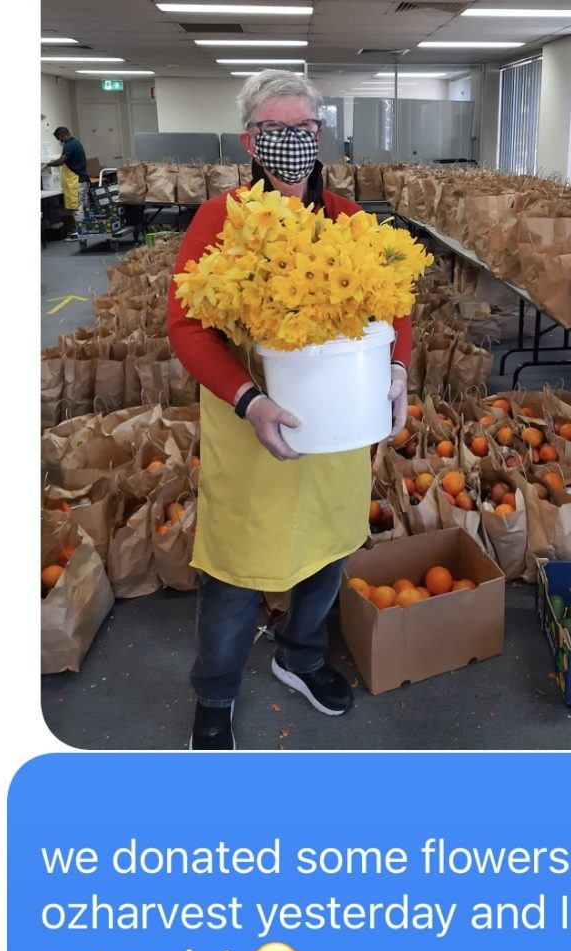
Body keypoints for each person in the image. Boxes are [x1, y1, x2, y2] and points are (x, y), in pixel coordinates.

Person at [167, 69, 413, 751]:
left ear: (320, 134)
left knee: (329, 547)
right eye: (275, 130)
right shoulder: (220, 221)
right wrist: (247, 398)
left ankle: (300, 655)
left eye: (304, 130)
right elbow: (187, 326)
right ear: (251, 138)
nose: (292, 143)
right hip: (252, 427)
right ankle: (214, 697)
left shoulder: (350, 220)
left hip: (334, 430)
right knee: (235, 572)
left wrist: (396, 371)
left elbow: (395, 305)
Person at [42, 127, 88, 239]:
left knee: (78, 208)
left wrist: (48, 164)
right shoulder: (76, 143)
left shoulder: (69, 145)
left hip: (76, 181)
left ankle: (82, 232)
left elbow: (61, 161)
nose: (60, 141)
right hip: (82, 180)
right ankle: (86, 229)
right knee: (83, 206)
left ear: (62, 135)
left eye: (59, 138)